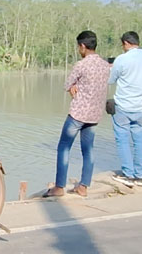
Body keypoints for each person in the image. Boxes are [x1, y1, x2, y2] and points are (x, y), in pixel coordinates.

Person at [44, 31, 111, 198]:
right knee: (88, 150)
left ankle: (59, 187)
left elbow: (67, 84)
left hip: (78, 113)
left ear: (82, 46)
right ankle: (83, 186)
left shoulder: (81, 65)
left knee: (63, 147)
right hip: (95, 115)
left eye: (78, 47)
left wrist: (73, 86)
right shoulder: (104, 65)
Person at [108, 31, 142, 188]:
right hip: (141, 106)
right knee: (139, 141)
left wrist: (111, 67)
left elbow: (111, 80)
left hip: (123, 105)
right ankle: (139, 176)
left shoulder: (122, 59)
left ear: (126, 43)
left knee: (122, 140)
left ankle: (128, 174)